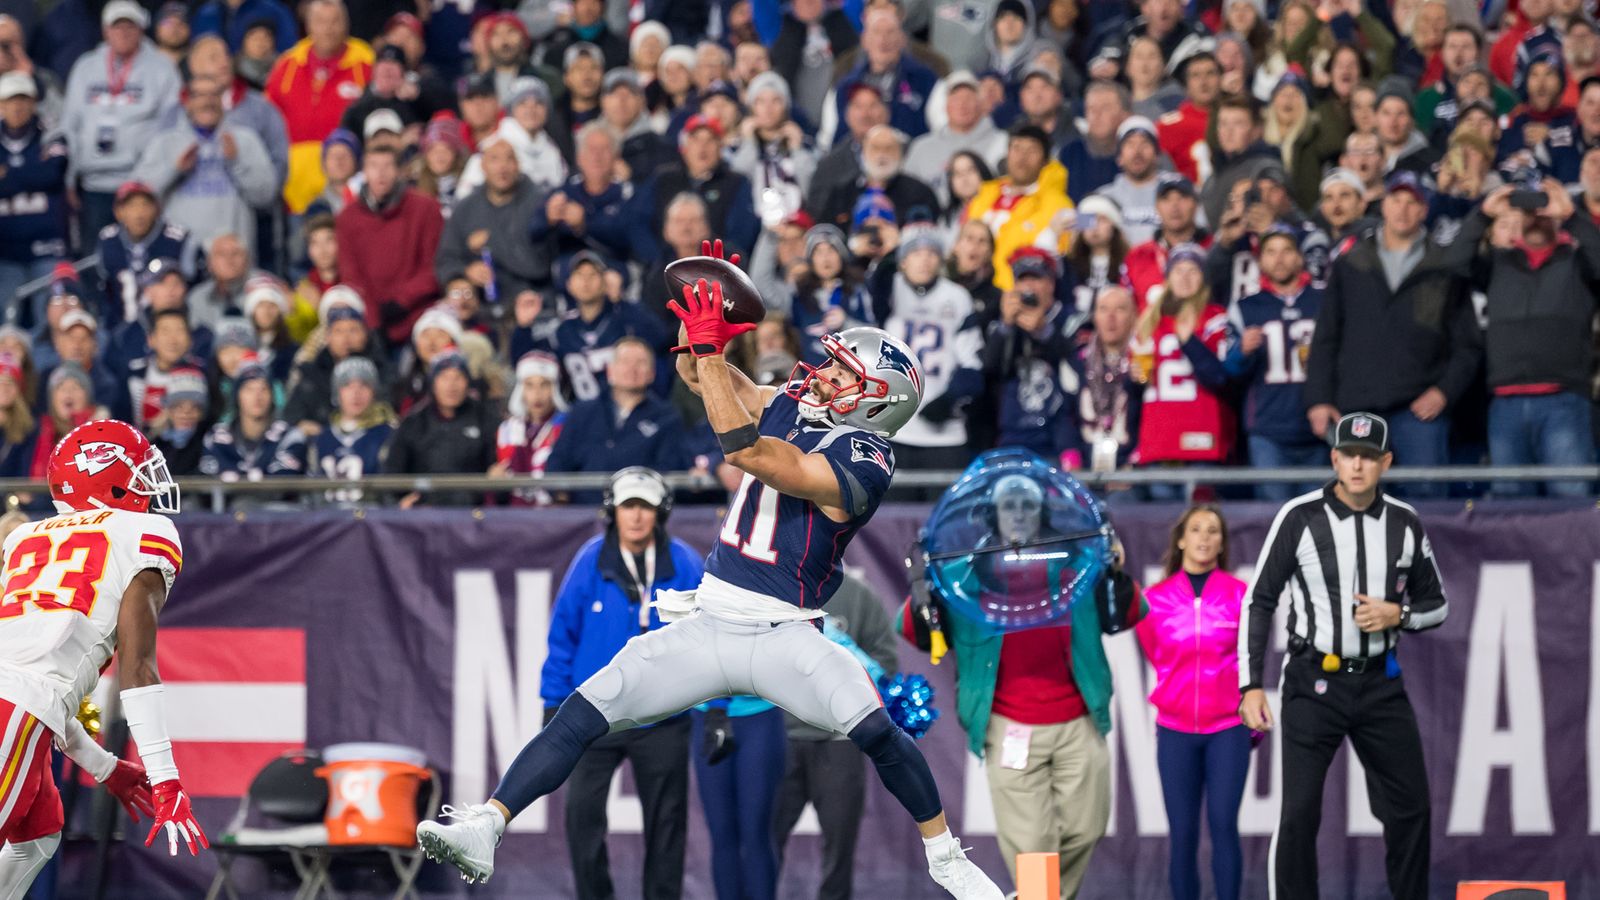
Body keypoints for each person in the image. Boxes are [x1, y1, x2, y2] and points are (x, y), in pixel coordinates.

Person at [417, 257, 1005, 899]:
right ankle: (487, 826)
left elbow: (746, 449)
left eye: (843, 371)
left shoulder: (866, 457)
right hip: (708, 622)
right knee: (586, 707)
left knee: (875, 731)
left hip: (787, 637)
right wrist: (708, 332)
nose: (825, 373)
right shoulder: (794, 403)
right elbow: (699, 379)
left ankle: (946, 858)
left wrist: (711, 349)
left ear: (875, 399)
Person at [903, 473, 1146, 899]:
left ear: (1042, 512)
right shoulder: (964, 575)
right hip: (1008, 726)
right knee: (1032, 849)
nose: (1018, 512)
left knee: (1086, 829)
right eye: (1009, 504)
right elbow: (911, 627)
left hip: (1080, 721)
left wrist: (1115, 570)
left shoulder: (1079, 565)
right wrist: (925, 583)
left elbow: (1127, 614)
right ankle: (1038, 894)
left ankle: (1037, 897)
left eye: (1027, 504)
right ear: (995, 514)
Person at [1239, 412, 1449, 900]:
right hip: (1314, 681)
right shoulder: (1300, 516)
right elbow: (1259, 599)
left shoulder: (1404, 522)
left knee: (1410, 807)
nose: (1358, 466)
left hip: (1380, 682)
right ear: (1334, 458)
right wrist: (1250, 684)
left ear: (1386, 462)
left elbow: (1438, 605)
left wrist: (1398, 615)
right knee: (1299, 813)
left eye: (1369, 457)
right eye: (1349, 456)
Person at [0, 419, 208, 900]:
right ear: (104, 476)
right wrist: (166, 779)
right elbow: (137, 670)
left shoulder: (23, 538)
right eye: (138, 471)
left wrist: (105, 766)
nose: (148, 482)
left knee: (37, 837)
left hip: (21, 708)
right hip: (14, 714)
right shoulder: (144, 532)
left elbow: (38, 686)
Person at [540, 466, 699, 900]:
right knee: (581, 819)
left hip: (663, 718)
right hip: (595, 715)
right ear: (613, 511)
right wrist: (554, 704)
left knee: (667, 827)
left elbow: (707, 639)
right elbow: (562, 635)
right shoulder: (590, 560)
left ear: (660, 513)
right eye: (628, 506)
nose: (636, 517)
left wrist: (709, 706)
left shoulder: (683, 562)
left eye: (645, 507)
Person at [1303, 171, 1481, 493]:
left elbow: (1468, 345)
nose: (1403, 209)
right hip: (1357, 406)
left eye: (1412, 202)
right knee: (1355, 505)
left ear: (1425, 210)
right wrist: (1318, 399)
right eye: (1396, 200)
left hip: (1419, 413)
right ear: (1383, 205)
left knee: (1427, 507)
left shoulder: (1445, 267)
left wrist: (1443, 391)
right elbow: (1326, 336)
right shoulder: (1350, 264)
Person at [1136, 506, 1251, 900]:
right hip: (1175, 732)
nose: (1205, 537)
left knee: (1223, 824)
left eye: (1214, 530)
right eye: (1196, 529)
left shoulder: (1240, 595)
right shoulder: (1154, 600)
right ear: (1181, 539)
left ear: (1222, 542)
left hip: (1228, 731)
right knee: (1182, 833)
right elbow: (1155, 654)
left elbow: (1249, 658)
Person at [1463, 181, 1600, 496]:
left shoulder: (1577, 262)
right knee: (1510, 510)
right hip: (1505, 403)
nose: (1537, 217)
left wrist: (1572, 215)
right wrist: (1483, 216)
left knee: (1572, 506)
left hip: (1563, 401)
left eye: (1544, 210)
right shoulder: (1499, 263)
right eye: (1529, 211)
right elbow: (1454, 263)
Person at [60, 1, 182, 241]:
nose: (123, 33)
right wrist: (68, 178)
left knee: (142, 254)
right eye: (117, 26)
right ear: (106, 31)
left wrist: (151, 179)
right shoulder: (86, 66)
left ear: (141, 29)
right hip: (93, 185)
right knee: (94, 258)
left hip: (141, 186)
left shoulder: (162, 68)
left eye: (130, 26)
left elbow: (171, 127)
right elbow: (69, 124)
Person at [1225, 227, 1324, 499]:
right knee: (1274, 518)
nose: (1279, 259)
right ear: (1260, 261)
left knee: (1318, 520)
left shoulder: (1324, 299)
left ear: (1300, 257)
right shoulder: (1246, 306)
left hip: (1318, 428)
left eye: (1286, 251)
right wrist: (1241, 352)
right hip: (1268, 429)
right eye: (1270, 252)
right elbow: (1229, 372)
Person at [1128, 245, 1234, 493]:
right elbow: (1135, 393)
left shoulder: (1214, 318)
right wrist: (1133, 380)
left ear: (1203, 277)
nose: (1185, 278)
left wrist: (1190, 342)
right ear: (1167, 277)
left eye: (1193, 271)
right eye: (1178, 271)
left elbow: (1220, 379)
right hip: (1159, 438)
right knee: (1162, 521)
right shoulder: (1149, 321)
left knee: (1199, 515)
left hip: (1201, 433)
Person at [134, 75, 276, 253]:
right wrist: (174, 170)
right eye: (199, 95)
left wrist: (237, 163)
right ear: (187, 101)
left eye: (214, 94)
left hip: (231, 255)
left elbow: (265, 196)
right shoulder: (165, 142)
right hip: (179, 255)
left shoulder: (244, 139)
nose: (208, 101)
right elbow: (137, 198)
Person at [264, 0, 374, 215]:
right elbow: (268, 118)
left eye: (335, 21)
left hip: (346, 177)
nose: (328, 29)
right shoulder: (287, 64)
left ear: (346, 25)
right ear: (308, 25)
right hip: (295, 182)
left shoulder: (365, 62)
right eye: (321, 22)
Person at [334, 145, 444, 348]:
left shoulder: (426, 209)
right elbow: (351, 275)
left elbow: (434, 267)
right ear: (363, 172)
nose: (381, 173)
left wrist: (401, 301)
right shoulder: (347, 218)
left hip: (420, 319)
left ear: (400, 171)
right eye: (374, 166)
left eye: (388, 166)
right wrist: (374, 320)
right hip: (370, 325)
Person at [544, 337, 687, 489]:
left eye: (640, 362)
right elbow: (557, 462)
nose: (632, 369)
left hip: (640, 506)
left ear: (651, 373)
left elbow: (670, 468)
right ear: (610, 371)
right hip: (583, 507)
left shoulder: (668, 418)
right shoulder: (581, 412)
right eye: (624, 361)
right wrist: (560, 495)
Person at [385, 348, 498, 507]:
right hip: (425, 511)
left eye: (458, 377)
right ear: (433, 382)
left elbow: (497, 471)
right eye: (444, 377)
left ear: (468, 382)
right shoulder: (413, 422)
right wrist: (401, 501)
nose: (451, 385)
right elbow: (392, 473)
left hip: (474, 513)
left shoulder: (486, 419)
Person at [965, 124, 1073, 290]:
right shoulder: (982, 197)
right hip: (975, 289)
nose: (1022, 157)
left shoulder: (1058, 205)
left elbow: (1064, 257)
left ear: (1045, 160)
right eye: (1016, 148)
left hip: (1020, 294)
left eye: (1032, 151)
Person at [0, 71, 67, 329]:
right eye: (10, 101)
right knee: (6, 323)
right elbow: (42, 175)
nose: (17, 107)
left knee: (51, 321)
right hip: (5, 252)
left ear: (33, 103)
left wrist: (7, 177)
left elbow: (52, 174)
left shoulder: (51, 134)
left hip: (47, 247)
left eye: (23, 100)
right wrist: (33, 173)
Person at [307, 356, 394, 505]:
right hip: (327, 521)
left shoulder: (388, 436)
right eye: (347, 385)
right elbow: (311, 490)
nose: (356, 393)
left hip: (371, 519)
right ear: (337, 392)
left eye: (364, 385)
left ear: (374, 392)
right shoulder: (321, 439)